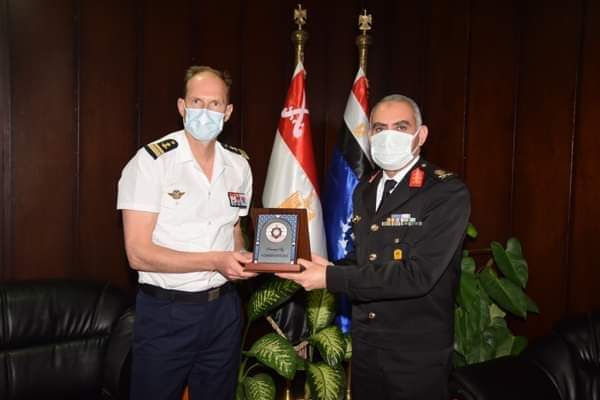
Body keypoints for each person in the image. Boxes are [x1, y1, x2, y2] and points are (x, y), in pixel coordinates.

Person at [277, 94, 470, 400]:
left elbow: (417, 275)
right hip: (367, 346)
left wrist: (330, 278)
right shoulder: (366, 189)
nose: (388, 136)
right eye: (379, 128)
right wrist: (328, 266)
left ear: (421, 135)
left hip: (416, 354)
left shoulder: (445, 192)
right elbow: (366, 257)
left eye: (401, 127)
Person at [117, 65, 256, 400]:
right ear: (182, 106)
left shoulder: (239, 166)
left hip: (224, 311)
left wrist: (242, 259)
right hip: (167, 313)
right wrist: (216, 260)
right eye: (197, 102)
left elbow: (234, 228)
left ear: (228, 112)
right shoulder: (151, 162)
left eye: (214, 104)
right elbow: (138, 254)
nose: (205, 111)